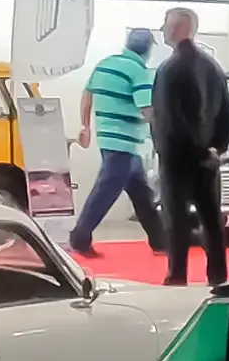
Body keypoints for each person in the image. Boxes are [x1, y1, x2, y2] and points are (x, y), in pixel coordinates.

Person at [149, 7, 229, 286]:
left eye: (166, 24)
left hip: (177, 159)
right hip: (208, 160)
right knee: (211, 220)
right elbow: (228, 113)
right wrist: (215, 148)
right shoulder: (213, 67)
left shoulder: (169, 69)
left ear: (178, 29)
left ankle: (177, 277)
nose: (162, 29)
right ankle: (218, 278)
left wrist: (173, 149)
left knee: (177, 221)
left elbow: (168, 119)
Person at [68, 26, 166, 259]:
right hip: (125, 141)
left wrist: (85, 126)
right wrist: (164, 131)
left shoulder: (105, 64)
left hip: (109, 138)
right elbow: (146, 109)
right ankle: (79, 238)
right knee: (105, 191)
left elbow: (87, 93)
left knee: (141, 194)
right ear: (148, 49)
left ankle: (160, 241)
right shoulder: (139, 72)